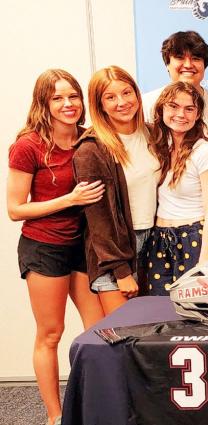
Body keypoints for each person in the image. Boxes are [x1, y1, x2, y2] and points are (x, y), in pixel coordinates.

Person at [7, 69, 105, 425]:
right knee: (51, 333)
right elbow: (16, 209)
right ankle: (55, 415)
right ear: (44, 104)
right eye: (58, 98)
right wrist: (70, 199)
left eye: (73, 96)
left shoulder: (91, 138)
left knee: (98, 330)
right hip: (43, 246)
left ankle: (93, 406)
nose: (68, 104)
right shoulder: (28, 145)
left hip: (83, 245)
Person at [75, 65, 162, 314]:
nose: (122, 102)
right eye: (110, 97)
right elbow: (99, 220)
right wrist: (121, 270)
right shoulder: (91, 149)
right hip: (114, 251)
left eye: (127, 93)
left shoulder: (153, 133)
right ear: (99, 104)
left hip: (153, 243)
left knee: (151, 334)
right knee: (123, 336)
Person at [145, 82, 208, 295]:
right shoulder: (158, 147)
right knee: (160, 313)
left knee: (193, 313)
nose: (181, 114)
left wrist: (204, 266)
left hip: (193, 240)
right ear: (161, 109)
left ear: (198, 114)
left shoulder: (205, 151)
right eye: (173, 106)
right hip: (159, 240)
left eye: (189, 109)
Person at [141, 30, 208, 127]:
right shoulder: (148, 103)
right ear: (167, 64)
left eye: (195, 58)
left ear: (204, 65)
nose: (188, 65)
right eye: (180, 58)